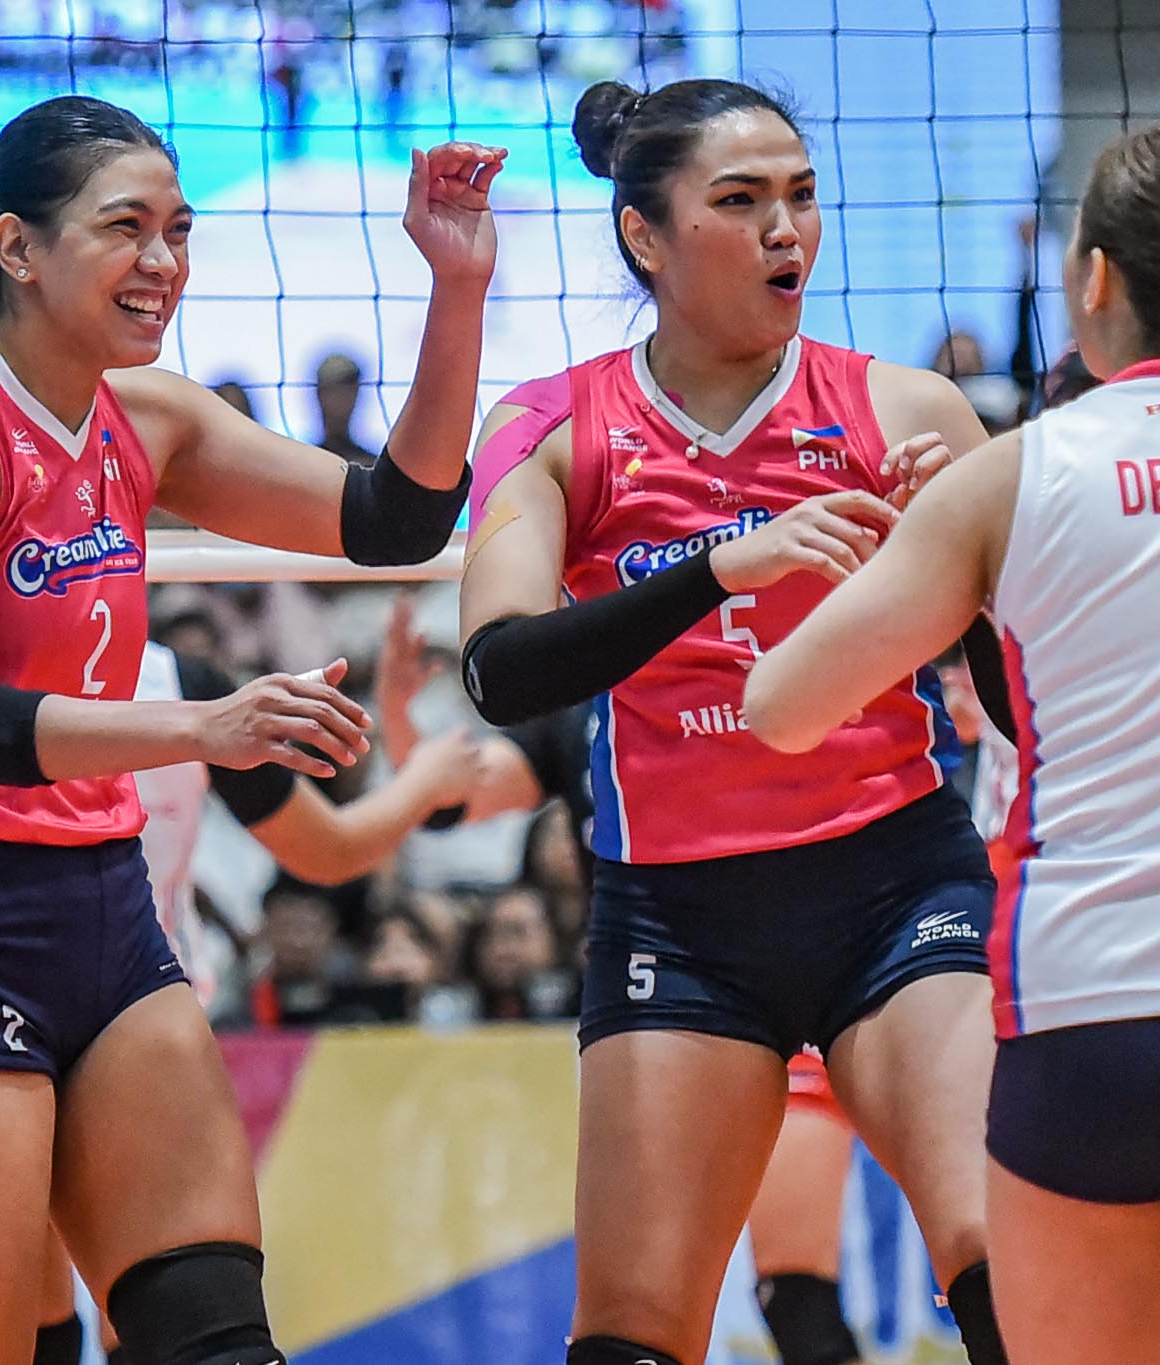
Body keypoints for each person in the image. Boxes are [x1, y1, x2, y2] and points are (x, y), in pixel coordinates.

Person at [0, 94, 500, 1364]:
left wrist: (454, 286)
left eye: (179, 231)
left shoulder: (148, 417)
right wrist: (202, 725)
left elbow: (396, 521)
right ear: (18, 248)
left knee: (218, 1346)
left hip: (111, 924)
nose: (164, 261)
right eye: (127, 228)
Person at [746, 122, 1160, 1365]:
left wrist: (930, 560)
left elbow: (779, 708)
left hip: (1093, 1006)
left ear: (1097, 278)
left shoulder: (1008, 478)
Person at [457, 78, 1004, 1365]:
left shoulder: (909, 411)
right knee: (632, 1333)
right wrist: (717, 569)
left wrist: (974, 559)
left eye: (801, 197)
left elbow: (1017, 701)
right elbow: (498, 673)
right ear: (644, 236)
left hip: (895, 886)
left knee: (1003, 1254)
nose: (785, 230)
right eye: (742, 201)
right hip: (679, 916)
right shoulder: (549, 424)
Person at [378, 593, 877, 1364]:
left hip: (821, 968)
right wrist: (399, 719)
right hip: (677, 997)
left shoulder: (765, 661)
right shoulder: (581, 712)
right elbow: (449, 799)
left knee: (813, 1291)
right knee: (692, 1311)